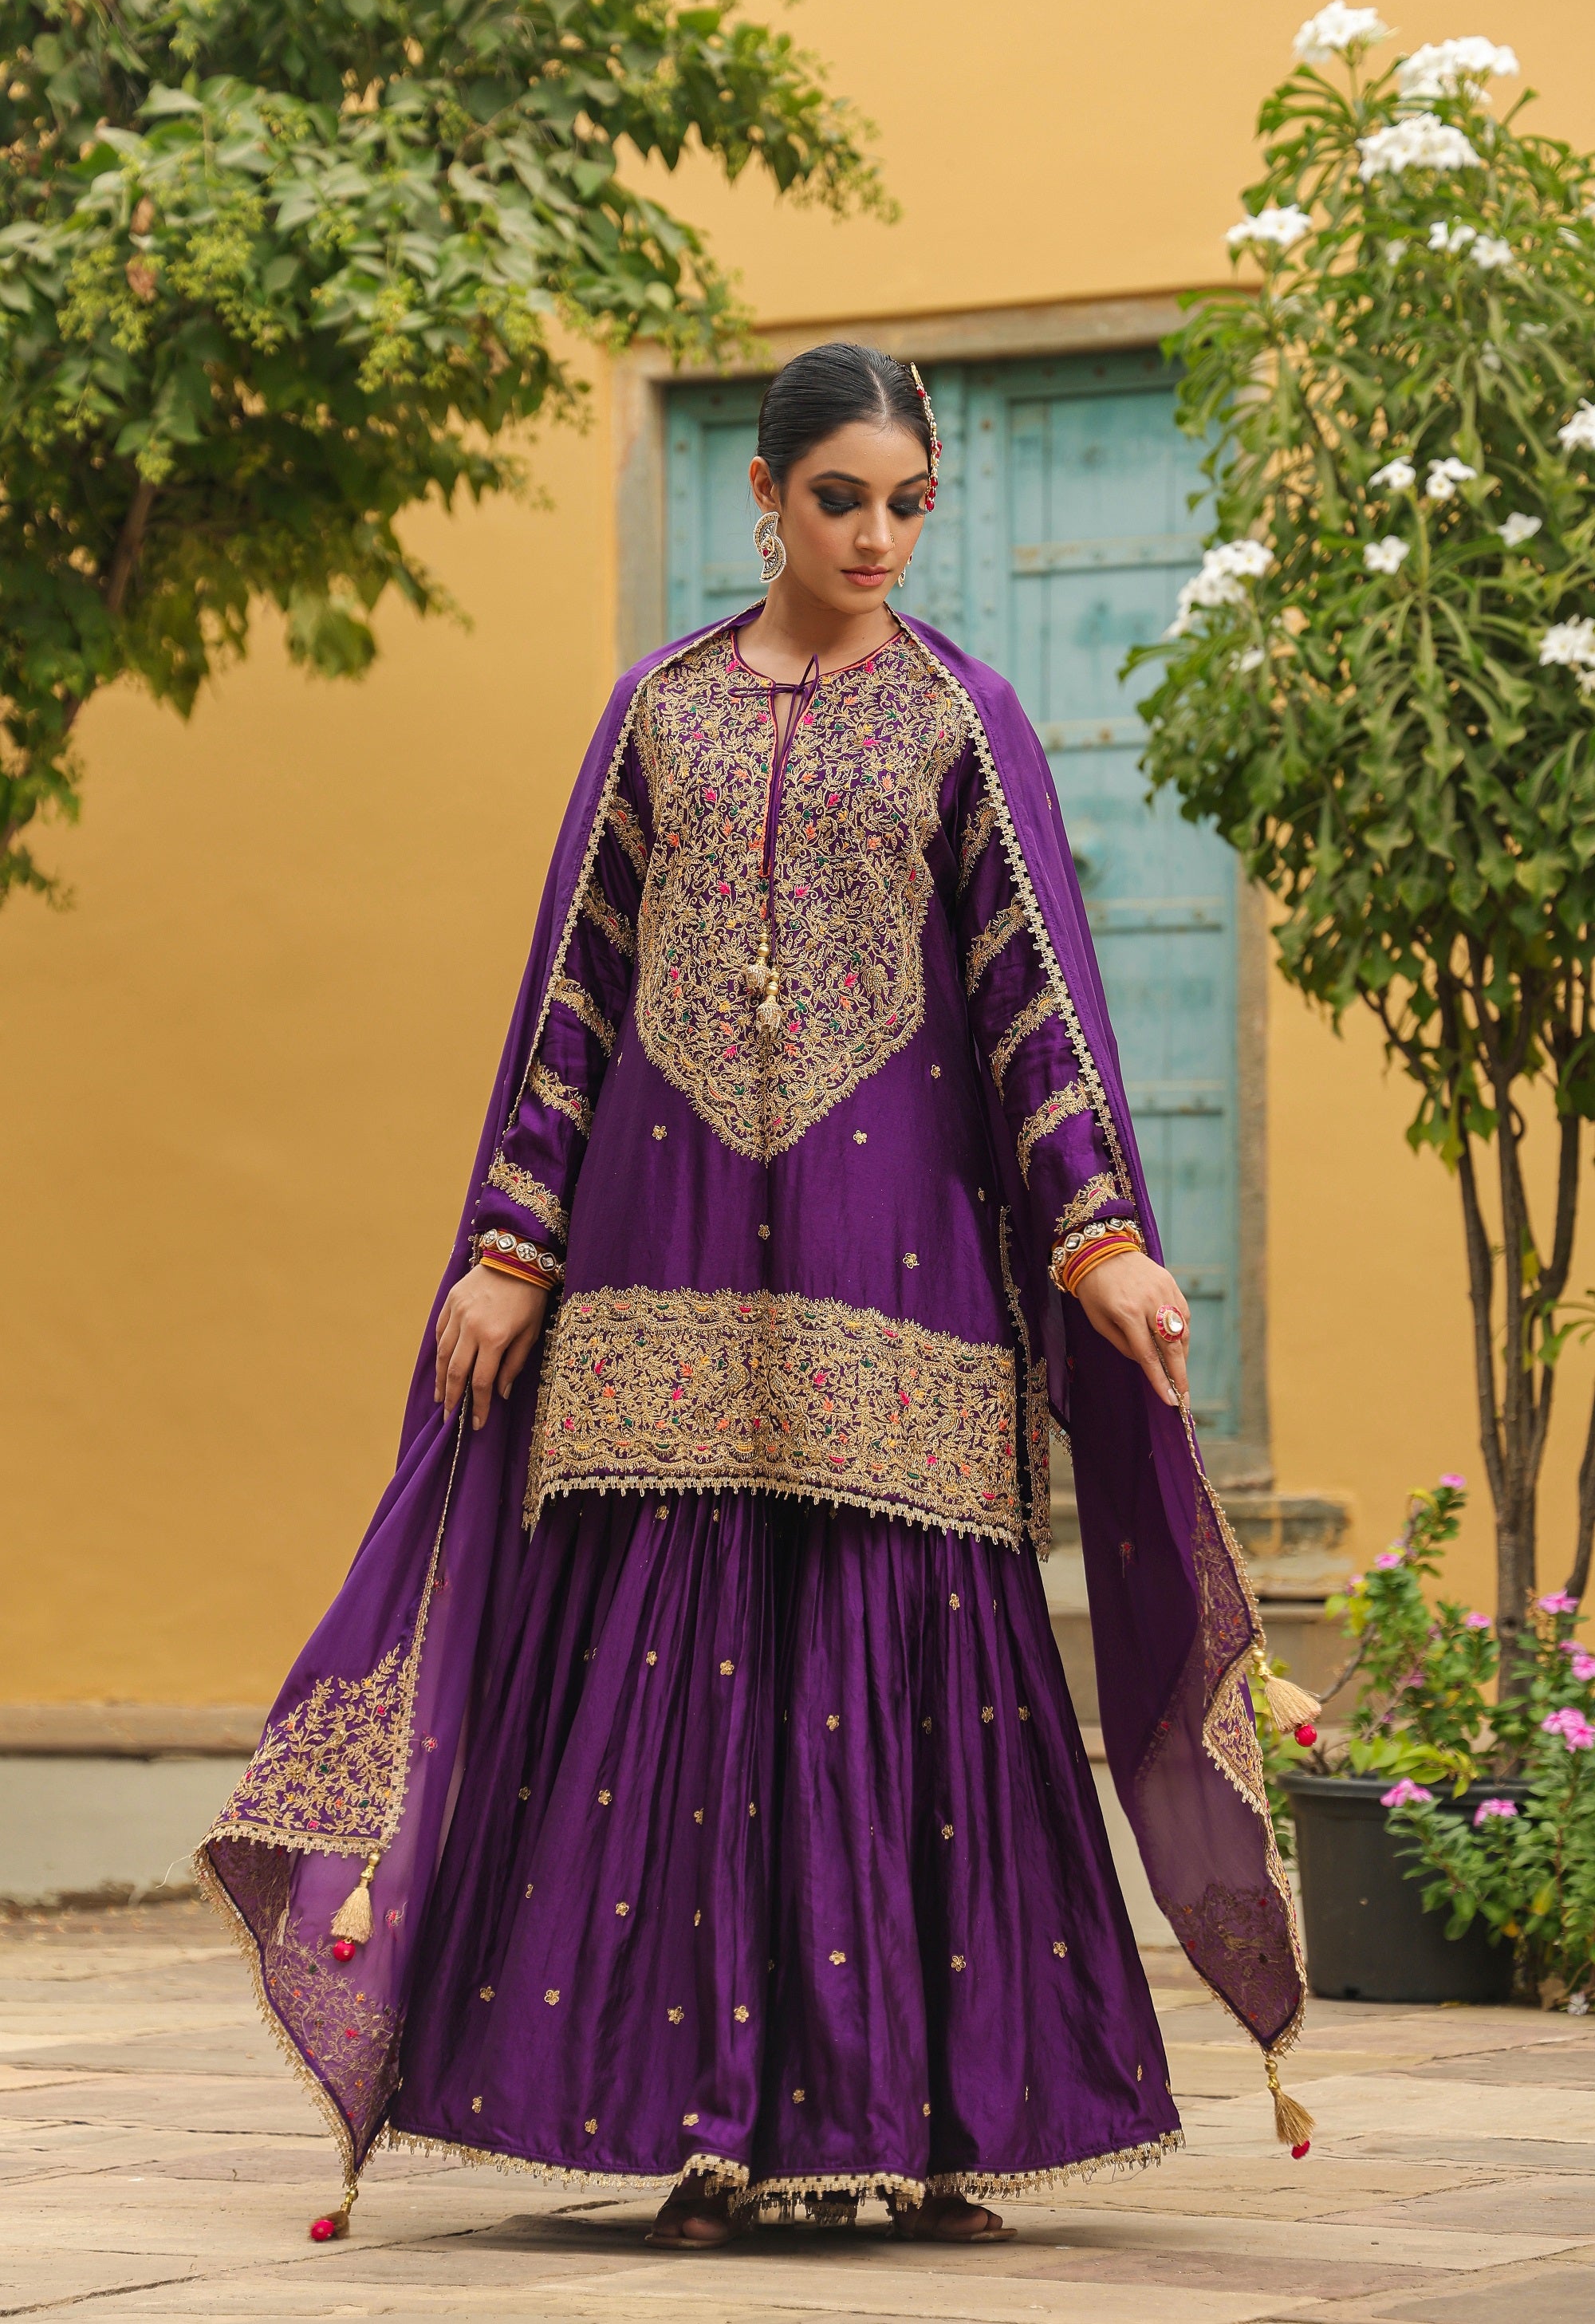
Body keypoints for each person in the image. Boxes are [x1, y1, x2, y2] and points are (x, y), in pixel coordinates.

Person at [200, 344, 1312, 2254]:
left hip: (900, 1265)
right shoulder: (658, 714)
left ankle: (918, 2123)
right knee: (683, 1678)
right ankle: (699, 2127)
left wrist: (1098, 1235)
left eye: (907, 505)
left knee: (896, 1665)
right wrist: (508, 1249)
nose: (875, 537)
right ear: (765, 496)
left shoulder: (966, 721)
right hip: (664, 1257)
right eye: (838, 500)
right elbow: (575, 996)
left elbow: (1029, 1005)